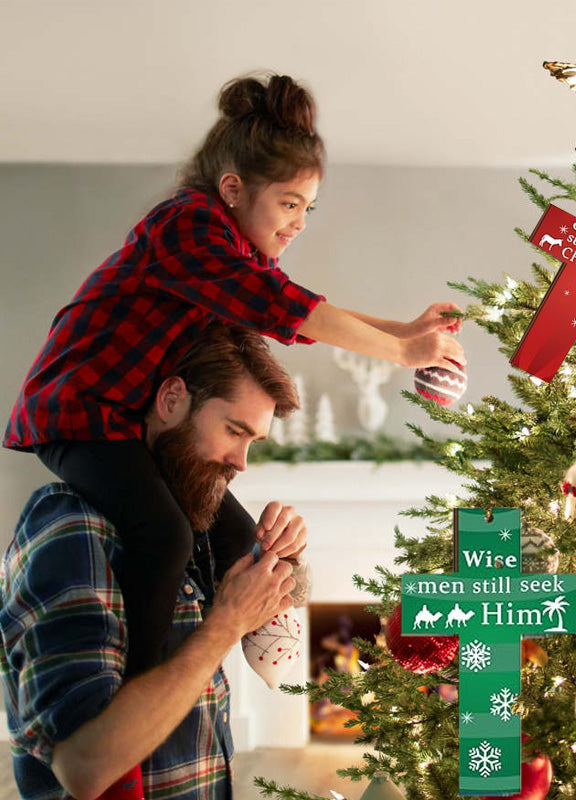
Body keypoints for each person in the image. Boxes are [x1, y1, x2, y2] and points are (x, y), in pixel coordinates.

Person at [3, 72, 465, 678]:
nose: (300, 222)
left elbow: (291, 304)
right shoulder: (186, 228)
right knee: (165, 536)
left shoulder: (234, 254)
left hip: (129, 422)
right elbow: (286, 309)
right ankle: (138, 689)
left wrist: (402, 332)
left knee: (242, 540)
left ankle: (263, 641)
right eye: (289, 203)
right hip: (77, 413)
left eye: (308, 208)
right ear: (232, 189)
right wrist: (401, 353)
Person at [0, 322, 307, 800]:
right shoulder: (70, 527)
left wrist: (287, 556)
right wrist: (224, 625)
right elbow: (85, 769)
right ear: (171, 400)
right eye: (233, 430)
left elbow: (282, 605)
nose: (242, 462)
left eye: (253, 442)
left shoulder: (196, 512)